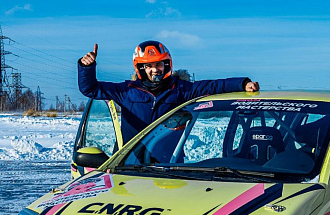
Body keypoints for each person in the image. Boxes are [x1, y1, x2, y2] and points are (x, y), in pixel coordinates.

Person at [78, 41, 259, 143]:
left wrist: (242, 83)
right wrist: (87, 67)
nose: (154, 70)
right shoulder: (126, 91)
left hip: (169, 164)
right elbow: (91, 89)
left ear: (167, 65)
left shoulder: (180, 89)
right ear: (140, 68)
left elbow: (212, 86)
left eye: (158, 64)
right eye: (148, 66)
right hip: (129, 162)